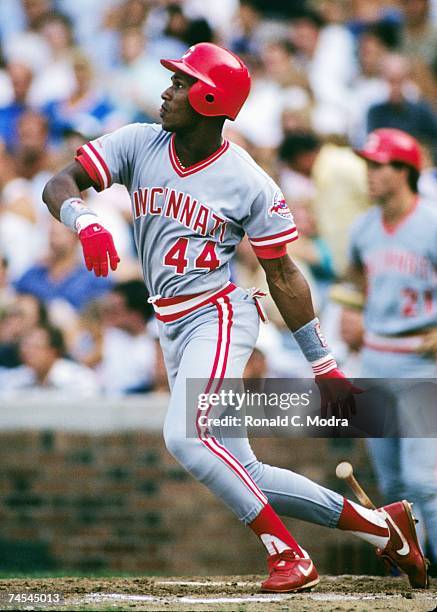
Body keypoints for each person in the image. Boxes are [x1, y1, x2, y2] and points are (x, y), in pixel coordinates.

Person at [42, 43, 428, 592]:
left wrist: (323, 364)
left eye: (180, 83)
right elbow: (58, 184)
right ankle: (385, 529)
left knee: (186, 438)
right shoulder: (137, 141)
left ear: (208, 97)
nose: (167, 91)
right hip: (170, 321)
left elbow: (285, 275)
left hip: (217, 315)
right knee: (246, 471)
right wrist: (83, 220)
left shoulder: (247, 179)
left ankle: (288, 555)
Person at [349, 127, 437, 567]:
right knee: (394, 482)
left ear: (404, 170)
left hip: (422, 363)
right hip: (375, 357)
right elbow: (353, 282)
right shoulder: (363, 227)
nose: (369, 172)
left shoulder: (431, 222)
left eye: (378, 164)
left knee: (425, 480)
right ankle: (417, 570)